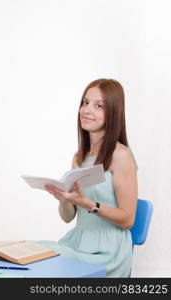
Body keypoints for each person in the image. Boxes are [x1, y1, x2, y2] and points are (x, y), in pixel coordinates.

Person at [40, 78, 138, 277]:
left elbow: (128, 220)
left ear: (113, 113)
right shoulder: (78, 157)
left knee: (42, 260)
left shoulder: (120, 155)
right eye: (85, 102)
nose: (87, 110)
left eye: (98, 106)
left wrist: (88, 203)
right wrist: (64, 199)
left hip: (109, 251)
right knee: (31, 252)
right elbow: (68, 217)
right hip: (78, 241)